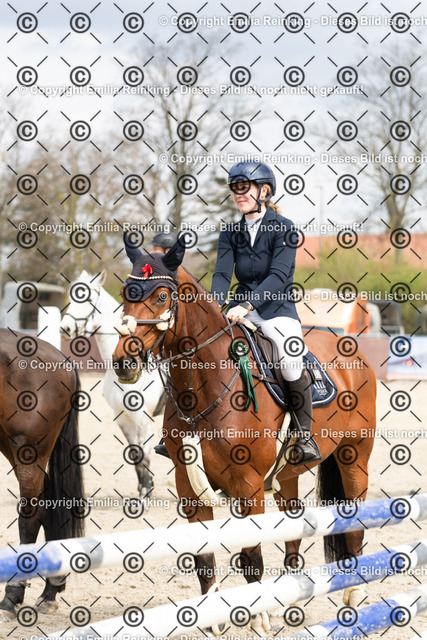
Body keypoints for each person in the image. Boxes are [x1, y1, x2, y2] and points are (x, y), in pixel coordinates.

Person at [210, 161, 321, 465]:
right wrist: (215, 305)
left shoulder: (284, 228)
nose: (238, 194)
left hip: (276, 311)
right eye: (235, 189)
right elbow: (222, 274)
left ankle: (304, 436)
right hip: (237, 310)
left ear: (264, 191)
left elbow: (278, 276)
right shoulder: (230, 232)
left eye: (243, 188)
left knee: (289, 360)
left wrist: (248, 305)